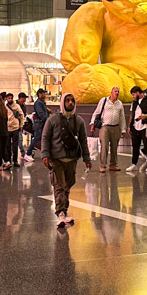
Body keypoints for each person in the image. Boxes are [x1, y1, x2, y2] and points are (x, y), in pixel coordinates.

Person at [41, 92, 90, 229]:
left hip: (72, 159)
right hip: (56, 159)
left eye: (72, 100)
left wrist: (87, 158)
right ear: (63, 103)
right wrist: (45, 155)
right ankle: (60, 212)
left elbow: (83, 140)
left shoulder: (78, 121)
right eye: (67, 101)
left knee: (68, 185)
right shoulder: (53, 120)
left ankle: (64, 210)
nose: (70, 103)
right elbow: (45, 137)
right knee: (59, 185)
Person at [92, 86, 125, 172]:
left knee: (114, 147)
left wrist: (123, 129)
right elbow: (97, 112)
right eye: (115, 91)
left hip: (116, 127)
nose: (117, 93)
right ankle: (102, 165)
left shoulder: (120, 104)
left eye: (118, 92)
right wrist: (92, 124)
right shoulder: (104, 101)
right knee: (104, 146)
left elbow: (122, 117)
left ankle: (113, 164)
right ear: (111, 92)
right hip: (105, 127)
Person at [128, 86, 147, 173]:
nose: (133, 96)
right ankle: (133, 164)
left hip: (146, 125)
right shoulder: (134, 103)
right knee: (135, 146)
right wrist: (129, 126)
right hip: (135, 126)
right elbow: (131, 114)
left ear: (138, 93)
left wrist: (145, 116)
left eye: (133, 94)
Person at [28, 88, 49, 158]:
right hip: (39, 123)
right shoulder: (38, 103)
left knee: (40, 138)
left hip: (40, 123)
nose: (44, 95)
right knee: (37, 137)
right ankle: (28, 153)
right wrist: (46, 119)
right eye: (43, 93)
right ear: (40, 94)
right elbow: (41, 114)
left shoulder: (41, 102)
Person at [5, 92, 25, 166]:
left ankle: (15, 160)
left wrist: (21, 125)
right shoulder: (5, 107)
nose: (10, 99)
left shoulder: (16, 106)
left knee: (15, 145)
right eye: (8, 98)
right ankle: (8, 160)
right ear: (6, 99)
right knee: (7, 145)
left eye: (11, 98)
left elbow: (21, 115)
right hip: (7, 128)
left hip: (15, 128)